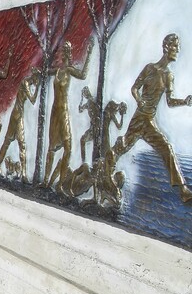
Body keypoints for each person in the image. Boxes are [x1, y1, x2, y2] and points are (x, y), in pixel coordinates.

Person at [109, 33, 192, 202]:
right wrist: (139, 100)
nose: (178, 50)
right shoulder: (150, 68)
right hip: (139, 118)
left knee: (166, 148)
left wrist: (184, 101)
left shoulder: (169, 76)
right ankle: (106, 171)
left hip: (149, 121)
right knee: (122, 148)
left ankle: (183, 190)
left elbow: (169, 101)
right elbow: (134, 88)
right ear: (167, 47)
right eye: (175, 47)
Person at [43, 40, 93, 191]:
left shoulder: (70, 70)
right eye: (66, 50)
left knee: (68, 148)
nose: (68, 53)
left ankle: (60, 184)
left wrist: (89, 54)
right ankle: (45, 182)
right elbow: (44, 72)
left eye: (69, 50)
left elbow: (83, 75)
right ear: (63, 53)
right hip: (55, 113)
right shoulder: (57, 71)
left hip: (63, 111)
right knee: (51, 149)